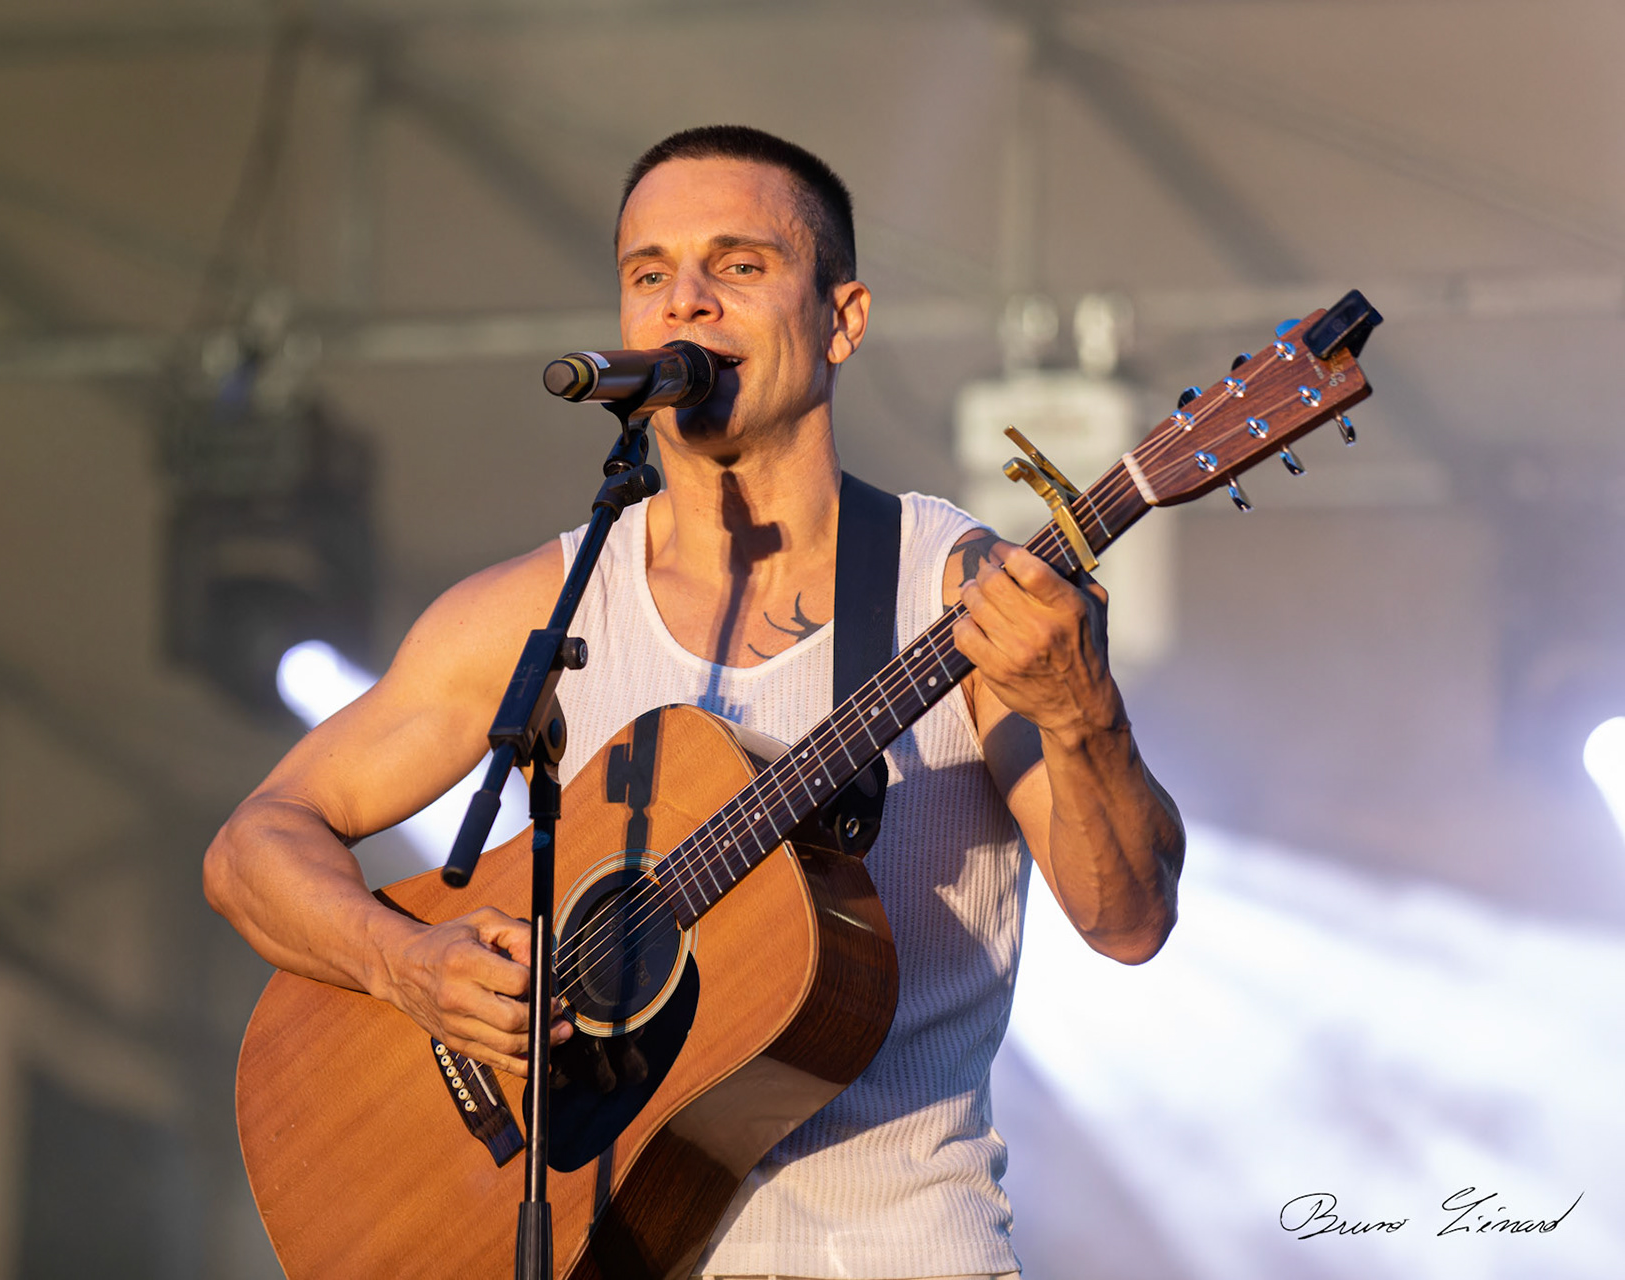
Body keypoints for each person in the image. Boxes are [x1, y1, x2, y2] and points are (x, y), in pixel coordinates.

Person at [203, 125, 1184, 1280]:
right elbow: (253, 844)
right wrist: (401, 961)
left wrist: (1082, 713)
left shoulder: (956, 592)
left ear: (843, 318)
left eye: (740, 266)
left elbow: (1130, 920)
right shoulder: (541, 607)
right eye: (650, 274)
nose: (688, 304)